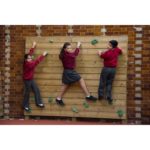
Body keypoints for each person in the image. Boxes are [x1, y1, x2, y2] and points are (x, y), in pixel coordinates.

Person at [56, 42, 97, 106]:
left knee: (65, 85)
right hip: (70, 72)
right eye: (68, 48)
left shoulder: (63, 54)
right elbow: (75, 53)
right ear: (65, 49)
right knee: (81, 80)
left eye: (70, 48)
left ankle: (58, 98)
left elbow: (70, 52)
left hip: (67, 72)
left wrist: (62, 47)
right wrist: (78, 46)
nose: (70, 49)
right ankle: (88, 95)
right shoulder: (69, 55)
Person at [22, 41, 48, 111]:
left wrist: (33, 46)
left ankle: (38, 103)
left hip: (31, 79)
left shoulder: (28, 60)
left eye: (31, 58)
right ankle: (25, 105)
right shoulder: (28, 64)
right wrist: (43, 55)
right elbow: (37, 61)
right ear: (26, 60)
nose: (30, 59)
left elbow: (30, 53)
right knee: (27, 93)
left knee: (36, 90)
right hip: (27, 80)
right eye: (29, 58)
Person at [98, 40, 122, 104]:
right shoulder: (117, 50)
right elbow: (120, 51)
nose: (107, 46)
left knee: (102, 81)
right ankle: (108, 96)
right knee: (109, 83)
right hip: (113, 70)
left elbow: (101, 56)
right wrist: (118, 48)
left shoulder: (107, 53)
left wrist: (99, 52)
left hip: (106, 69)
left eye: (109, 45)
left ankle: (101, 95)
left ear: (112, 46)